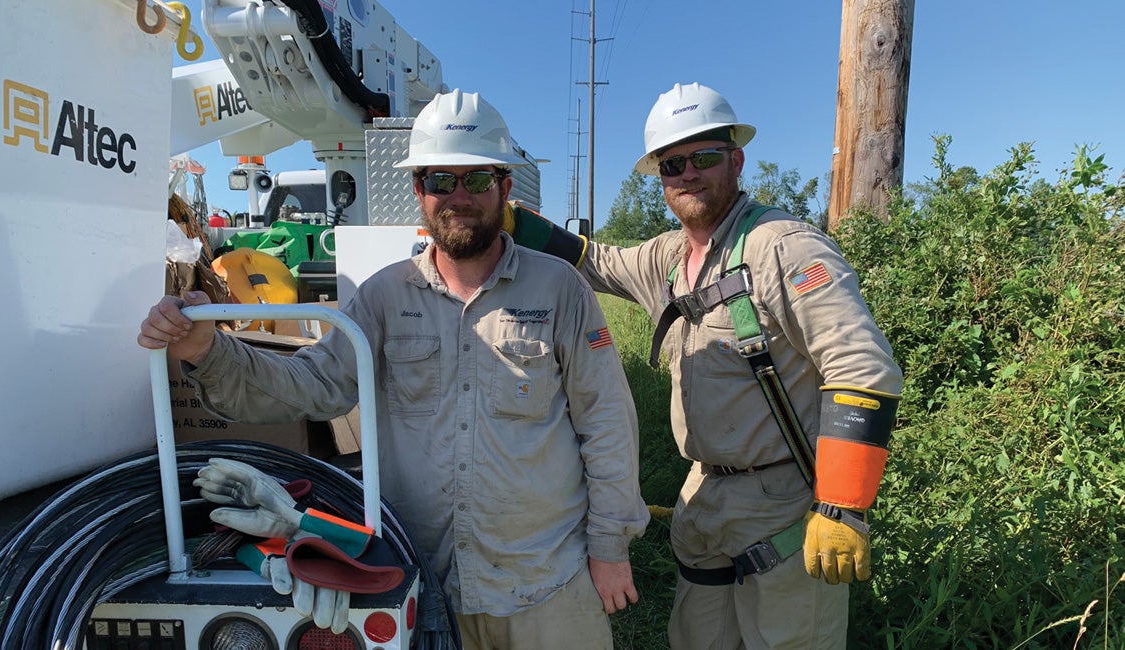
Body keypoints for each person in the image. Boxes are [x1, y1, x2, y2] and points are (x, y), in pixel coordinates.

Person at [139, 88, 649, 649]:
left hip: (546, 585)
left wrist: (609, 547)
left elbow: (607, 426)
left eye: (476, 179)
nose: (459, 196)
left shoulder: (561, 290)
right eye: (439, 180)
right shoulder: (383, 296)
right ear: (417, 191)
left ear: (504, 189)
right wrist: (206, 351)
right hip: (420, 585)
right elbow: (311, 385)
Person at [510, 82, 902, 648]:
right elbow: (591, 260)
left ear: (735, 160)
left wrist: (842, 507)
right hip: (703, 502)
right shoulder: (667, 258)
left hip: (785, 508)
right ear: (661, 176)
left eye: (704, 157)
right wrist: (504, 219)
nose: (688, 173)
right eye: (673, 163)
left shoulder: (783, 247)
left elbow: (861, 369)